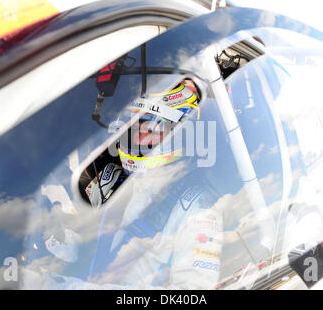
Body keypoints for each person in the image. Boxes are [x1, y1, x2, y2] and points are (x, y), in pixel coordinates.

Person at [73, 80, 223, 289]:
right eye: (136, 125)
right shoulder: (111, 177)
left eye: (154, 128)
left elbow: (193, 292)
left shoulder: (197, 208)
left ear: (181, 135)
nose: (140, 137)